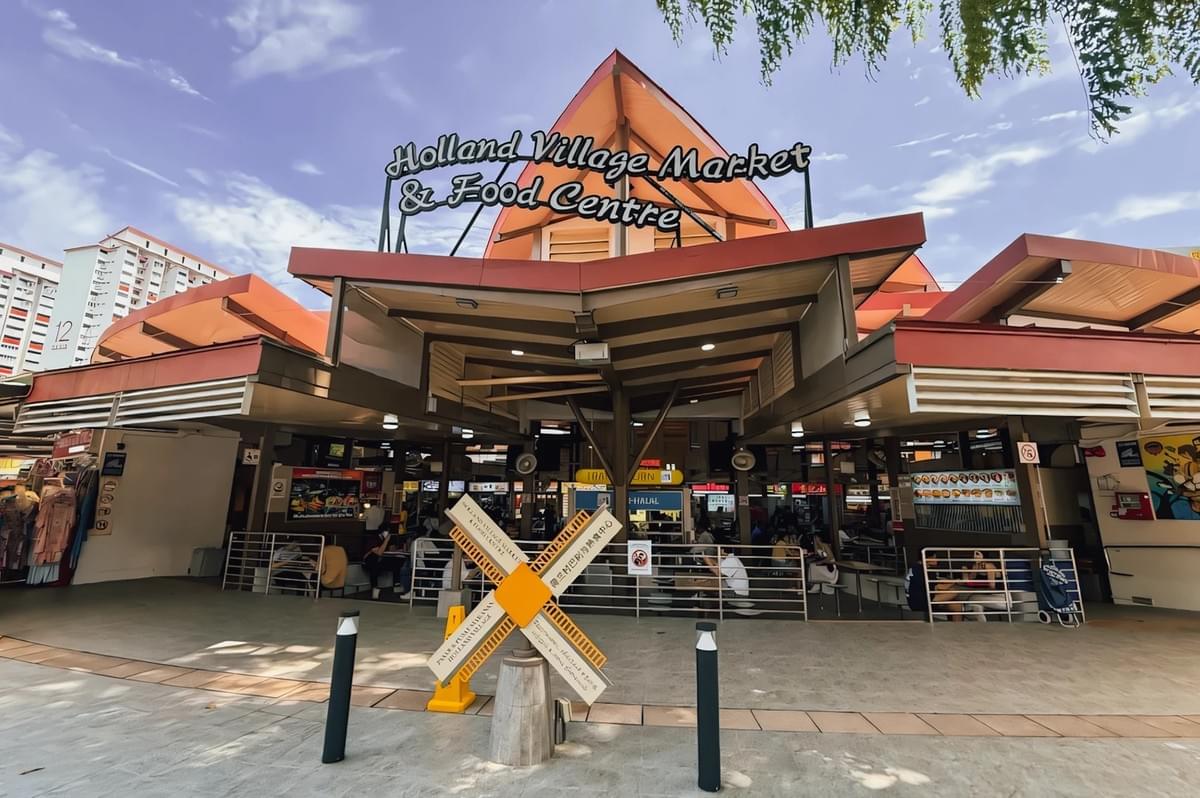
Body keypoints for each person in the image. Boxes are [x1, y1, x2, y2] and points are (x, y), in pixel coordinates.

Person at [363, 522, 405, 600]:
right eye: (386, 531)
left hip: (381, 560)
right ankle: (374, 588)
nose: (387, 533)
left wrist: (392, 542)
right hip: (370, 561)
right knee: (374, 565)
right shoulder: (374, 538)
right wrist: (386, 540)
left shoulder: (388, 538)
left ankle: (397, 584)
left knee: (397, 561)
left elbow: (392, 550)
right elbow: (379, 552)